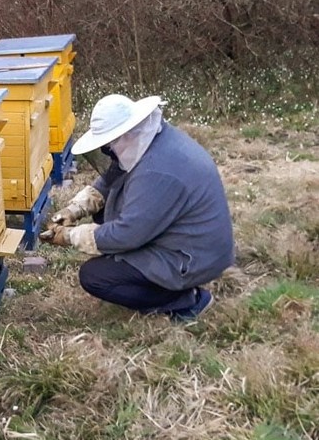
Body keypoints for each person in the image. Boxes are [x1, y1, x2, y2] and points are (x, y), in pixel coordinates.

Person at [40, 94, 234, 320]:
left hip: (191, 258)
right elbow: (112, 178)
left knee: (96, 276)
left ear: (125, 135)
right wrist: (75, 209)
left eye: (108, 146)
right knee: (105, 212)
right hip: (188, 238)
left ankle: (187, 301)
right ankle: (162, 283)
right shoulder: (152, 139)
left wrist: (71, 236)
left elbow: (126, 234)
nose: (107, 152)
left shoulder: (157, 171)